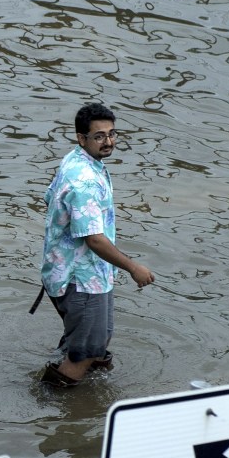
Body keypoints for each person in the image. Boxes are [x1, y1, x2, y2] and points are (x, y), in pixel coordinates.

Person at [36, 102, 155, 386]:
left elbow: (49, 198)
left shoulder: (75, 160)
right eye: (99, 136)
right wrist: (133, 268)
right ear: (82, 138)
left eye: (112, 134)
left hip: (69, 271)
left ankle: (87, 394)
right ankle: (51, 400)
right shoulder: (85, 182)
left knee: (95, 341)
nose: (108, 142)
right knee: (86, 352)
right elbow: (94, 239)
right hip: (81, 279)